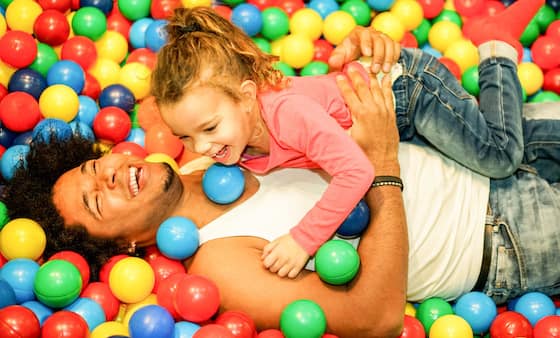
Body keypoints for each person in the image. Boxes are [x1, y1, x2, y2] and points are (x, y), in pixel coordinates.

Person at [3, 25, 560, 338]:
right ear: (124, 248)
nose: (109, 176)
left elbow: (189, 85)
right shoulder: (219, 263)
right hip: (502, 235)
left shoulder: (196, 146)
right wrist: (383, 163)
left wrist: (359, 57)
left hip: (475, 135)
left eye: (92, 168)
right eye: (96, 202)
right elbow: (377, 318)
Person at [150, 0, 543, 278]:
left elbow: (356, 172)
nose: (201, 147)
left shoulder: (289, 117)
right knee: (517, 144)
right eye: (184, 135)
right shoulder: (235, 134)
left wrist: (304, 239)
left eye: (210, 129)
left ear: (249, 97)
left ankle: (496, 48)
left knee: (499, 157)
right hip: (386, 113)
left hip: (410, 91)